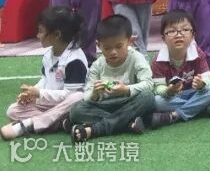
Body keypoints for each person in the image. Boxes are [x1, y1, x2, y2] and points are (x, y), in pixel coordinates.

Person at [66, 15, 155, 143]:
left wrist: (126, 89)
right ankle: (127, 124)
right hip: (105, 105)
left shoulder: (136, 57)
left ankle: (95, 129)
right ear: (98, 45)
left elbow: (149, 84)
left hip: (128, 102)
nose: (113, 52)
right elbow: (87, 95)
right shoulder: (97, 65)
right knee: (76, 111)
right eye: (107, 48)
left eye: (119, 46)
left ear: (130, 41)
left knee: (148, 97)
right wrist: (94, 94)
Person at [2, 7, 87, 140]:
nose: (38, 35)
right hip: (53, 106)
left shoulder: (74, 60)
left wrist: (40, 93)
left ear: (57, 35)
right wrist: (32, 92)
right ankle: (60, 123)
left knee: (78, 97)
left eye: (41, 31)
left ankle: (29, 123)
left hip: (68, 105)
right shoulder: (48, 54)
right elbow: (45, 79)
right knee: (12, 110)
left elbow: (69, 95)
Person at [149, 10, 210, 127]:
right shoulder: (158, 61)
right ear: (163, 38)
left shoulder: (197, 53)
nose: (179, 35)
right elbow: (157, 88)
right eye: (172, 31)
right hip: (173, 97)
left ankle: (174, 115)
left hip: (194, 93)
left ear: (193, 35)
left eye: (185, 30)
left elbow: (207, 76)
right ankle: (201, 108)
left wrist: (202, 84)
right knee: (156, 101)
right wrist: (168, 90)